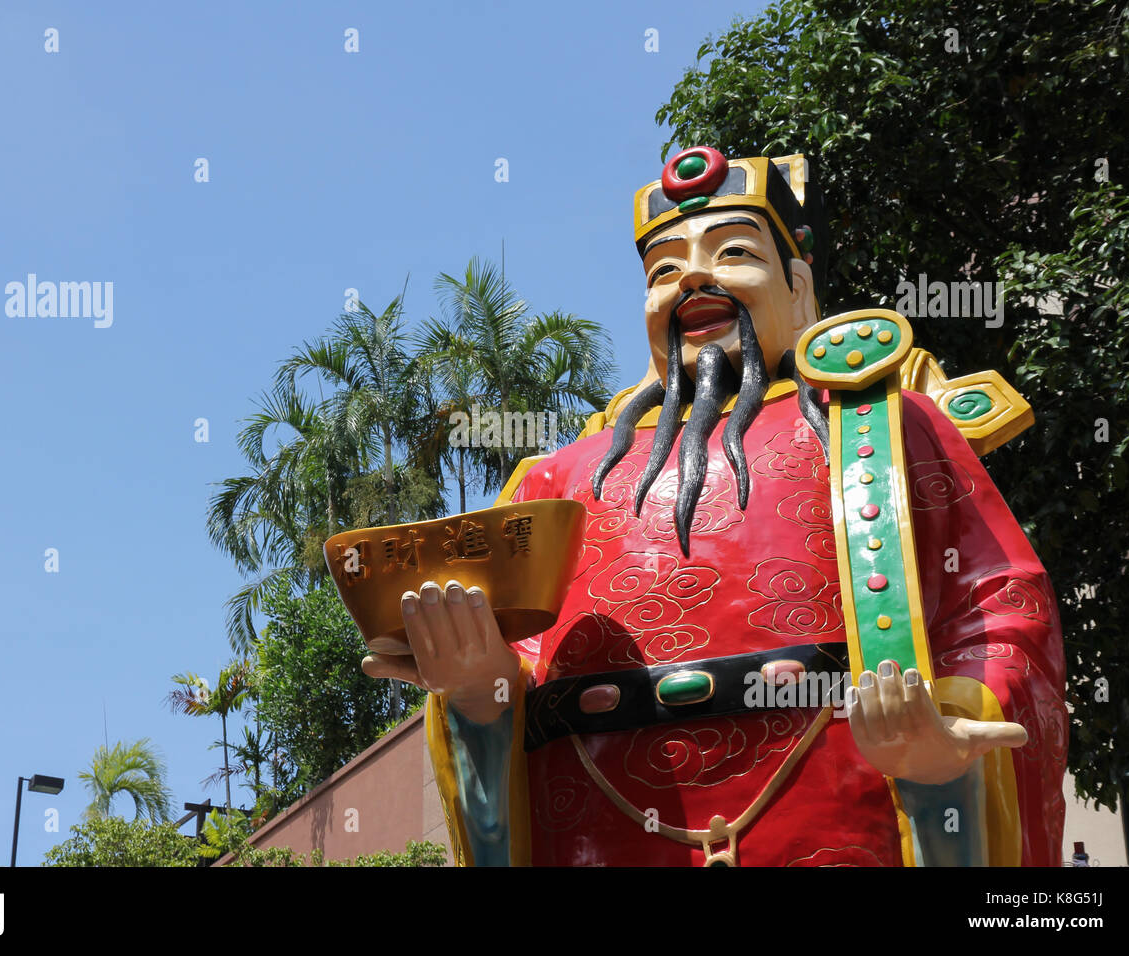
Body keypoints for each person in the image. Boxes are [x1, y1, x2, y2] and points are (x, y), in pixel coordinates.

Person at [362, 148, 1067, 866]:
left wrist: (944, 743)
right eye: (664, 270)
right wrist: (479, 693)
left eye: (734, 253)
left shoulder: (884, 428)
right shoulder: (556, 482)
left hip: (846, 819)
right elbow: (514, 676)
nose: (693, 279)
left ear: (798, 288)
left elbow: (1002, 611)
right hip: (599, 831)